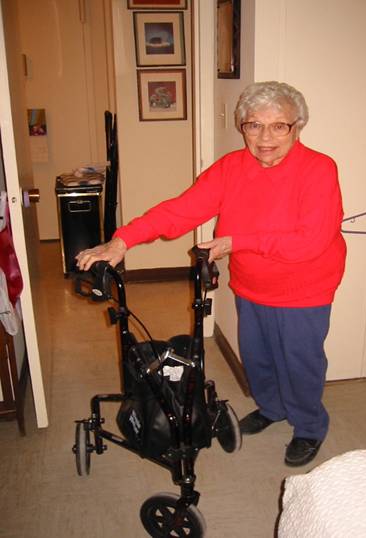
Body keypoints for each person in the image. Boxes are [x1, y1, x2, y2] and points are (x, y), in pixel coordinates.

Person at [76, 81, 346, 467]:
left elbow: (311, 242)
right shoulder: (231, 168)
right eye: (254, 125)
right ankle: (272, 408)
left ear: (297, 126)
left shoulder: (318, 169)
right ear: (242, 127)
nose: (265, 138)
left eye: (278, 126)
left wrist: (237, 242)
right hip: (252, 285)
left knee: (300, 362)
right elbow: (180, 210)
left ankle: (309, 426)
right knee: (257, 357)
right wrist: (122, 240)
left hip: (305, 289)